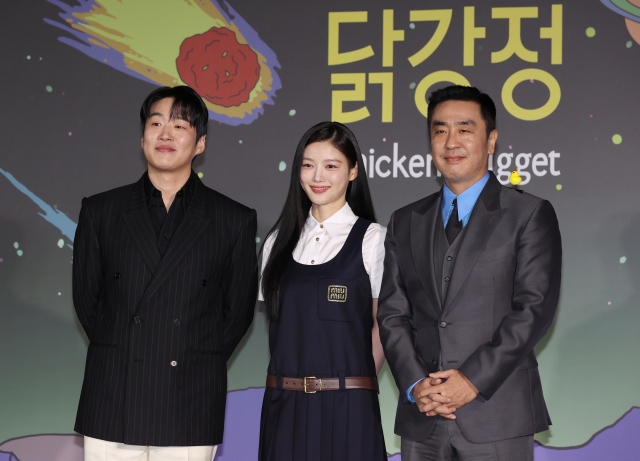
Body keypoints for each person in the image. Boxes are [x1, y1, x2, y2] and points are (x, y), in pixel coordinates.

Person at [72, 85, 258, 461]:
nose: (166, 134)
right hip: (114, 391)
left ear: (200, 143)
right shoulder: (101, 211)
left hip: (188, 394)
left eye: (180, 125)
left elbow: (236, 313)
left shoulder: (233, 219)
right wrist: (125, 347)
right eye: (156, 123)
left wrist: (191, 354)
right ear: (142, 138)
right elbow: (87, 301)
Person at [378, 85, 562, 460]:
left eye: (465, 129)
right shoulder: (405, 220)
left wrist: (470, 380)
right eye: (440, 130)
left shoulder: (528, 214)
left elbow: (533, 310)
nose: (451, 141)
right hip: (424, 414)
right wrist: (416, 386)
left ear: (490, 140)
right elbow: (393, 314)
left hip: (496, 414)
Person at [258, 122, 387, 461]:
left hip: (349, 408)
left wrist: (353, 385)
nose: (318, 176)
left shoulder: (374, 239)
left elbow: (384, 326)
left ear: (353, 170)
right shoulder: (277, 242)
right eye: (308, 164)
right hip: (284, 406)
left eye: (331, 166)